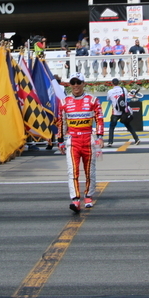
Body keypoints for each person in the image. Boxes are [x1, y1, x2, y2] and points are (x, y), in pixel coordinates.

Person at [59, 73, 104, 212]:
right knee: (72, 171)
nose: (76, 85)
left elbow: (99, 118)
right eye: (73, 82)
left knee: (90, 171)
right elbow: (61, 122)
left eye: (79, 82)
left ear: (84, 83)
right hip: (73, 140)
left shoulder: (93, 100)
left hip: (88, 140)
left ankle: (88, 196)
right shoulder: (64, 102)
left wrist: (100, 136)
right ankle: (75, 200)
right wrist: (60, 140)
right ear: (70, 84)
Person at [106, 78, 140, 147]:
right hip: (124, 112)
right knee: (128, 126)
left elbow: (108, 99)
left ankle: (110, 142)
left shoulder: (110, 91)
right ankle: (136, 139)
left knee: (112, 127)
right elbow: (127, 97)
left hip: (115, 112)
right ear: (118, 83)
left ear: (112, 83)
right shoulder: (123, 89)